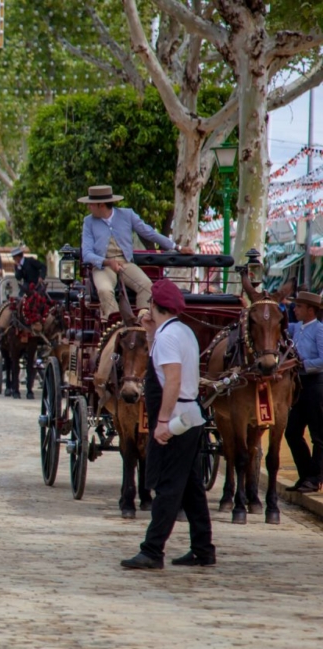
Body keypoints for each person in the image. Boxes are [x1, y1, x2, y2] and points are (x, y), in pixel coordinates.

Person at [121, 279, 214, 570]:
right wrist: (150, 336)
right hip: (190, 416)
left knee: (168, 486)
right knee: (191, 489)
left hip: (177, 419)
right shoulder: (180, 331)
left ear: (153, 306)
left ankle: (152, 550)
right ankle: (202, 549)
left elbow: (171, 380)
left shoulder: (168, 338)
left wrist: (162, 421)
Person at [80, 185, 190, 321]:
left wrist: (177, 247)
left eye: (90, 205)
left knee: (147, 286)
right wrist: (108, 262)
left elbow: (149, 233)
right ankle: (114, 327)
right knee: (104, 290)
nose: (88, 208)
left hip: (126, 263)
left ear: (101, 205)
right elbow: (87, 253)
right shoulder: (88, 222)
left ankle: (141, 324)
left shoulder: (127, 215)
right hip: (103, 265)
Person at [284, 291, 323, 494]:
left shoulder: (319, 330)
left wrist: (301, 364)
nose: (294, 309)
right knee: (291, 432)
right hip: (299, 386)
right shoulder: (296, 328)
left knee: (318, 435)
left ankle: (314, 478)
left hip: (316, 386)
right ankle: (306, 474)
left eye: (298, 306)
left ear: (310, 310)